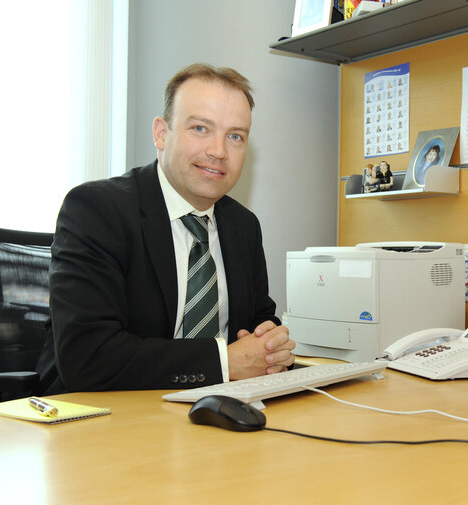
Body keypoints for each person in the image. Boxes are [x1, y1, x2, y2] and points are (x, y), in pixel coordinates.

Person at [36, 63, 295, 394]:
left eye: (235, 136)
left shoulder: (243, 225)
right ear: (161, 133)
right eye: (200, 128)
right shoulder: (96, 210)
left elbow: (260, 319)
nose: (219, 151)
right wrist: (224, 363)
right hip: (102, 418)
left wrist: (272, 343)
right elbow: (88, 357)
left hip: (213, 413)